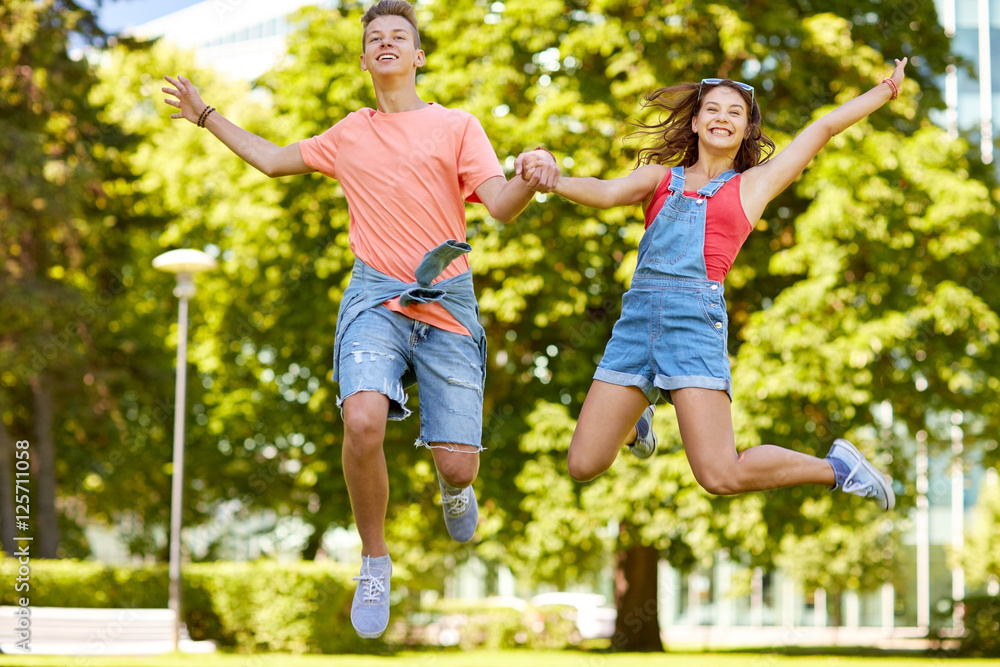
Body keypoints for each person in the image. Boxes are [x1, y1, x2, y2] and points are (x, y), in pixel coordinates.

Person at [162, 0, 558, 640]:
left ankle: (454, 488)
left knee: (458, 465)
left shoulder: (458, 126)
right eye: (375, 36)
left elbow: (502, 207)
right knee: (363, 418)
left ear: (419, 55)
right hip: (376, 294)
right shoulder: (349, 132)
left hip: (447, 297)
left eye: (399, 35)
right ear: (366, 55)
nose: (386, 43)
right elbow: (270, 159)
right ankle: (375, 560)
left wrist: (533, 176)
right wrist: (206, 115)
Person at [521, 60, 908, 510]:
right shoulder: (659, 178)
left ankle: (838, 467)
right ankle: (637, 422)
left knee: (720, 475)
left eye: (735, 113)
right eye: (713, 109)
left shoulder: (753, 185)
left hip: (693, 325)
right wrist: (553, 181)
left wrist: (886, 90)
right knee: (583, 464)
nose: (722, 117)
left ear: (746, 130)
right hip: (636, 324)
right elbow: (605, 192)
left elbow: (821, 128)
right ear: (695, 121)